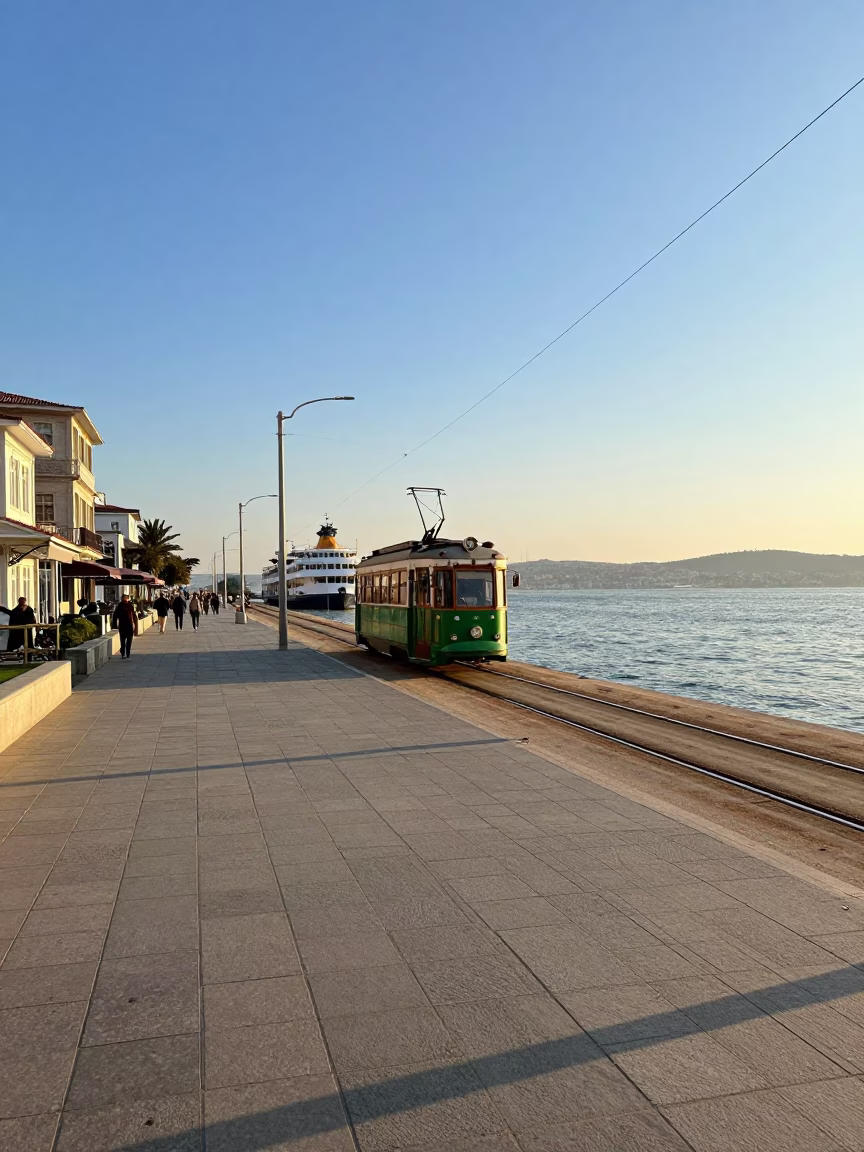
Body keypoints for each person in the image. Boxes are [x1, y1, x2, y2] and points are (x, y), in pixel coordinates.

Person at [112, 594, 138, 659]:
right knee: (124, 640)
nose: (126, 599)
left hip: (127, 625)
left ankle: (126, 653)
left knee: (127, 640)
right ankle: (124, 653)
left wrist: (115, 624)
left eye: (126, 598)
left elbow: (134, 615)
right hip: (125, 625)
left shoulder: (129, 605)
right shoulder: (120, 606)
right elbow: (115, 616)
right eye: (125, 598)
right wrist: (115, 624)